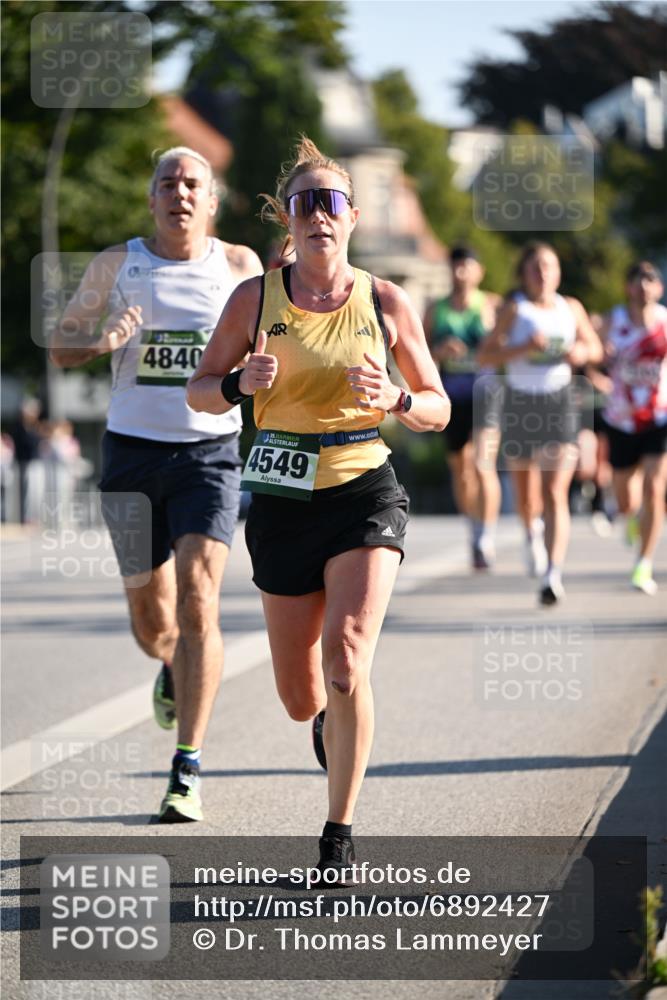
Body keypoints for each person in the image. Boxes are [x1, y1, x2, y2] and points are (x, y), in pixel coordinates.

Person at [187, 136, 450, 876]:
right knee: (302, 697)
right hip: (279, 501)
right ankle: (328, 728)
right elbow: (199, 389)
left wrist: (396, 398)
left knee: (345, 663)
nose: (317, 216)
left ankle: (338, 834)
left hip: (364, 488)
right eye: (303, 204)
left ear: (352, 217)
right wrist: (239, 384)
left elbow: (436, 407)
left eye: (330, 203)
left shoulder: (384, 300)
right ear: (288, 221)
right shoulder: (254, 300)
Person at [49, 146, 263, 822]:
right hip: (132, 455)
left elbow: (278, 339)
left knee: (201, 600)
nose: (178, 191)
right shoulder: (119, 264)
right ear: (151, 199)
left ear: (210, 199)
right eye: (166, 182)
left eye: (191, 182)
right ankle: (169, 665)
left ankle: (187, 764)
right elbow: (59, 345)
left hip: (209, 453)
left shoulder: (238, 266)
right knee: (153, 621)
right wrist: (104, 340)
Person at [478, 242, 602, 605]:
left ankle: (552, 574)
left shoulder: (571, 307)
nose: (543, 273)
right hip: (520, 403)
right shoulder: (515, 308)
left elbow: (595, 348)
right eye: (535, 267)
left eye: (549, 266)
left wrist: (580, 352)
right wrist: (522, 348)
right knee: (527, 495)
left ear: (558, 272)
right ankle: (531, 531)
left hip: (559, 402)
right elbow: (486, 354)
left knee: (554, 492)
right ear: (524, 274)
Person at [424, 246, 502, 568]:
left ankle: (487, 534)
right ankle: (473, 526)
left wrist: (488, 347)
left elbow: (507, 348)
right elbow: (419, 354)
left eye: (467, 267)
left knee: (484, 463)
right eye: (455, 267)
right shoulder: (436, 309)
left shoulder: (493, 306)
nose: (460, 273)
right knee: (461, 468)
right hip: (451, 395)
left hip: (486, 394)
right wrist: (439, 352)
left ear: (479, 271)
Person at [599, 261, 667, 595]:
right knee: (627, 499)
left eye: (650, 280)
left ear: (659, 288)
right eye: (637, 279)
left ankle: (643, 564)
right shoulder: (613, 322)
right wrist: (601, 365)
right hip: (621, 420)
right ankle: (629, 518)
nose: (643, 285)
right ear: (628, 287)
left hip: (658, 417)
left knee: (656, 489)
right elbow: (588, 357)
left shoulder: (666, 323)